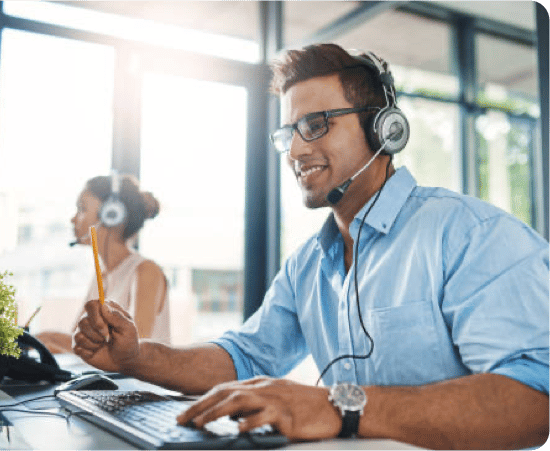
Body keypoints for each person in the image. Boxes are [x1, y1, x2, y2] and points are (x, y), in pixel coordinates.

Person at [72, 44, 549, 450]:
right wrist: (138, 359)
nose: (297, 151)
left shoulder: (469, 233)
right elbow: (244, 356)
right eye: (289, 133)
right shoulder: (308, 263)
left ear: (384, 130)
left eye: (317, 124)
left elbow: (536, 398)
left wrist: (337, 406)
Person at [37, 173, 170, 353]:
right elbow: (78, 342)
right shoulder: (103, 275)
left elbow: (135, 351)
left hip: (137, 381)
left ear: (111, 214)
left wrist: (49, 341)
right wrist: (41, 340)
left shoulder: (146, 271)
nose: (73, 219)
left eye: (82, 209)